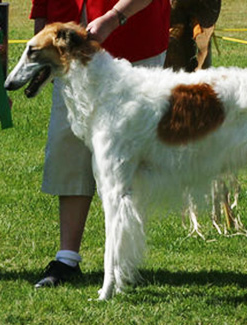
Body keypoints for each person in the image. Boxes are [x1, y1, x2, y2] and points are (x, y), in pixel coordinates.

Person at [30, 0, 170, 288]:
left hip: (132, 36)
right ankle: (67, 257)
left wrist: (115, 17)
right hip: (65, 42)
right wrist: (41, 28)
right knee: (68, 146)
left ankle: (122, 262)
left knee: (126, 161)